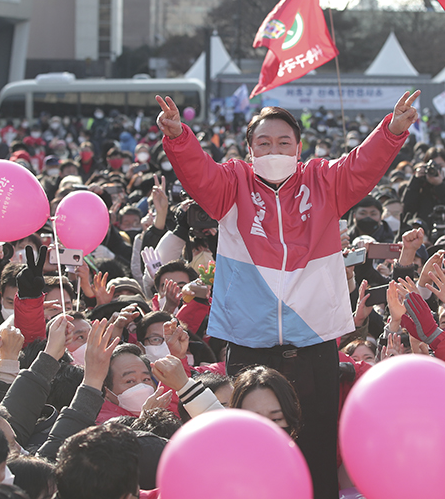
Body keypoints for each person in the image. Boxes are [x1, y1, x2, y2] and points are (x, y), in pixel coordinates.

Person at [156, 90, 420, 499]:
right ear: (249, 149)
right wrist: (178, 137)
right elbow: (198, 174)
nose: (273, 149)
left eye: (283, 142)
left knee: (315, 448)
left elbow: (361, 166)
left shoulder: (323, 181)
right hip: (248, 342)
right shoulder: (231, 184)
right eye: (263, 143)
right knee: (251, 449)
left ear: (298, 148)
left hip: (314, 342)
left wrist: (392, 130)